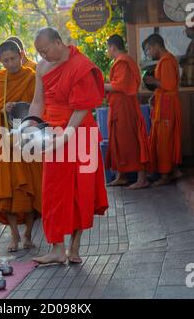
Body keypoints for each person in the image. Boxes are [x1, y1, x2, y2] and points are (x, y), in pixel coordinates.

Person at [29, 27, 108, 264]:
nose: (43, 56)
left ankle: (74, 247)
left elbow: (83, 106)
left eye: (45, 50)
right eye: (39, 53)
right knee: (53, 191)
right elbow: (37, 100)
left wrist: (68, 133)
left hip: (80, 130)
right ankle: (56, 248)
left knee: (80, 190)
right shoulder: (42, 67)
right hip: (54, 134)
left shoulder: (81, 65)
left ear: (58, 42)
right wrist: (31, 125)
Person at [0, 41, 42, 252]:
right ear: (0, 60)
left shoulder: (32, 76)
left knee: (29, 189)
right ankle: (14, 236)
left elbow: (40, 104)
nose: (11, 64)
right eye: (6, 60)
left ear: (21, 55)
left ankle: (27, 235)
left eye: (13, 59)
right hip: (5, 141)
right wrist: (2, 109)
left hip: (27, 139)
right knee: (6, 191)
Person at [104, 35, 150, 189]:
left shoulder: (124, 61)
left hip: (126, 108)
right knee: (118, 141)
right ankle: (121, 176)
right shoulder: (120, 61)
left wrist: (102, 85)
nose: (107, 51)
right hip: (118, 107)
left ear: (113, 47)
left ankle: (142, 178)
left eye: (107, 47)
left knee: (131, 140)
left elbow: (122, 86)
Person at [142, 34, 182, 186]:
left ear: (156, 46)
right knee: (168, 138)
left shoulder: (166, 60)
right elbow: (165, 85)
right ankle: (174, 170)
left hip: (167, 105)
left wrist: (153, 81)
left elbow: (169, 85)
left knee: (164, 141)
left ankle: (165, 176)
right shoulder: (167, 60)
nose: (149, 53)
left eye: (148, 49)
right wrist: (155, 94)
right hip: (165, 102)